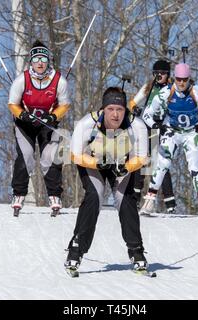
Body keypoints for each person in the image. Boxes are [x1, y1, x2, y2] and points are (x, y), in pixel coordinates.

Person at [65, 87, 150, 274]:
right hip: (93, 163)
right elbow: (73, 155)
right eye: (111, 109)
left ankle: (136, 251)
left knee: (124, 199)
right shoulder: (87, 124)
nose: (115, 114)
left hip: (122, 164)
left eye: (120, 109)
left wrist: (126, 167)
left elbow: (143, 158)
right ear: (103, 109)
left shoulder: (137, 126)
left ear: (125, 110)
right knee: (94, 197)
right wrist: (96, 163)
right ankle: (76, 250)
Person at [140, 63, 198, 219]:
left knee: (194, 167)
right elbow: (146, 114)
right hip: (172, 132)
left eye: (184, 79)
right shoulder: (165, 93)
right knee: (162, 163)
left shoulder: (197, 93)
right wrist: (157, 126)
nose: (181, 83)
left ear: (189, 79)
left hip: (191, 133)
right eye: (178, 79)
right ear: (174, 78)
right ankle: (148, 202)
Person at [7, 40, 71, 215]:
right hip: (25, 125)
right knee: (26, 155)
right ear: (31, 62)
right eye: (36, 59)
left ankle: (55, 196)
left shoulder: (59, 81)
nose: (40, 63)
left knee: (49, 157)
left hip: (47, 124)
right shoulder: (22, 80)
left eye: (43, 59)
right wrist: (22, 115)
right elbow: (12, 104)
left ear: (48, 61)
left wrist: (53, 116)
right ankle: (18, 194)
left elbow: (65, 105)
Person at [129, 59, 176, 213]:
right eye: (156, 73)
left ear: (168, 74)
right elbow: (132, 103)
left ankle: (170, 203)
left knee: (161, 164)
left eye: (162, 73)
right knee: (141, 161)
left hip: (162, 127)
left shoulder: (172, 89)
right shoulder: (148, 87)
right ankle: (135, 199)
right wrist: (135, 109)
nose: (159, 76)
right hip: (146, 127)